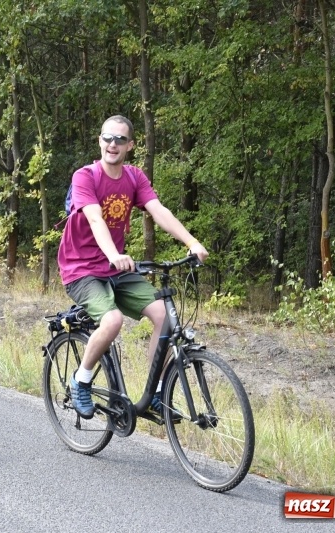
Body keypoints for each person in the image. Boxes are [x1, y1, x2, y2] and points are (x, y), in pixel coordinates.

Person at [57, 115, 209, 419]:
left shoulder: (134, 177)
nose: (112, 144)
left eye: (120, 140)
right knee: (111, 321)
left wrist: (192, 242)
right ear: (100, 141)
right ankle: (81, 380)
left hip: (116, 269)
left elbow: (158, 211)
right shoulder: (85, 177)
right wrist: (114, 253)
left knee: (165, 316)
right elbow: (95, 218)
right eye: (107, 138)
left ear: (130, 145)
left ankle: (155, 394)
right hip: (81, 269)